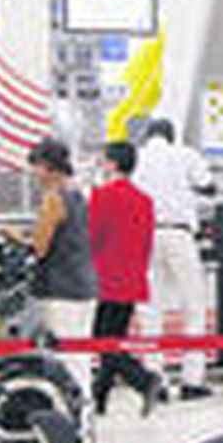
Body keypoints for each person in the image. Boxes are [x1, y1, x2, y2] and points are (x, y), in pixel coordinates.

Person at [133, 118, 216, 400]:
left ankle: (155, 382)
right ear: (172, 136)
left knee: (149, 311)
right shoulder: (185, 154)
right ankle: (192, 381)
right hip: (179, 234)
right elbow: (209, 186)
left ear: (147, 136)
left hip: (144, 237)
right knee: (193, 307)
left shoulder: (137, 158)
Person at [12, 138, 99, 400]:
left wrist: (13, 235)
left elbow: (39, 246)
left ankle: (74, 410)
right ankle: (84, 409)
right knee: (80, 354)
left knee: (66, 356)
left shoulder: (53, 199)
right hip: (83, 284)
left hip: (59, 288)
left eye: (36, 166)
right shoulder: (79, 194)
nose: (33, 173)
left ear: (49, 167)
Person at [89, 141, 161, 416]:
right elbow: (146, 242)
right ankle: (100, 399)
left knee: (102, 341)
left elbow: (92, 237)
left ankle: (144, 380)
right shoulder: (144, 200)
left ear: (112, 164)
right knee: (114, 339)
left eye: (103, 159)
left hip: (107, 277)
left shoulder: (102, 196)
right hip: (133, 277)